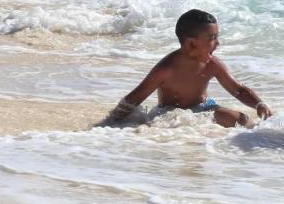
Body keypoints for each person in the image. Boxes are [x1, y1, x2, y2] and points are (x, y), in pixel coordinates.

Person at [110, 9, 272, 128]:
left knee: (240, 119)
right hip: (169, 113)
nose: (218, 43)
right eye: (212, 38)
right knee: (158, 127)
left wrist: (259, 104)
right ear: (191, 43)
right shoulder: (167, 68)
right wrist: (109, 124)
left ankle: (260, 134)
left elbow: (238, 90)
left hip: (204, 108)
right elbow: (134, 99)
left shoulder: (212, 64)